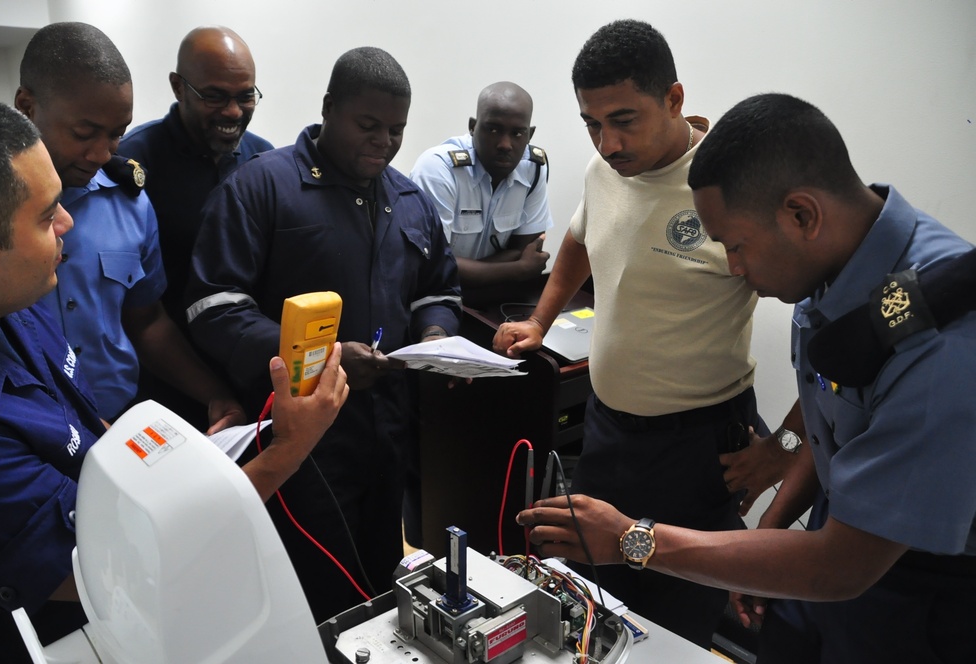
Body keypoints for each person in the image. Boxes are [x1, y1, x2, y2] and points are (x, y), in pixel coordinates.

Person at [518, 93, 976, 664]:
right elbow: (833, 411)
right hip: (827, 543)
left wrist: (636, 540)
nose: (733, 268)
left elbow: (845, 566)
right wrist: (774, 528)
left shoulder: (943, 347)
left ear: (801, 215)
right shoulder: (842, 264)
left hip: (911, 590)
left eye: (736, 246)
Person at [0, 94, 348, 662]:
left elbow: (83, 426)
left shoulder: (14, 308)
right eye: (47, 215)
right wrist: (287, 451)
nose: (69, 223)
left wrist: (176, 467)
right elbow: (116, 571)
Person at [491, 19, 783, 647]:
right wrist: (540, 321)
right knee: (596, 607)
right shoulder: (606, 171)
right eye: (592, 124)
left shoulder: (731, 185)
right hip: (609, 432)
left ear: (675, 99)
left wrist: (785, 447)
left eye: (624, 119)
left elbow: (824, 320)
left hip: (698, 448)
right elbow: (578, 239)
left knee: (675, 620)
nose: (608, 142)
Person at [185, 46, 461, 619]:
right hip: (300, 436)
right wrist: (327, 360)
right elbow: (214, 309)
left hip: (388, 427)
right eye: (368, 125)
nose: (383, 141)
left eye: (396, 130)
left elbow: (438, 289)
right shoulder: (261, 187)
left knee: (382, 575)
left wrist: (436, 336)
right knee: (310, 591)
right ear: (330, 107)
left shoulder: (409, 199)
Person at [14, 22, 244, 431]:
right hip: (20, 434)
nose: (102, 153)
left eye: (116, 135)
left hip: (121, 421)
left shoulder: (130, 202)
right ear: (27, 107)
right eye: (84, 133)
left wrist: (216, 395)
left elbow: (148, 322)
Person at [118, 26, 273, 428]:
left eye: (245, 96)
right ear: (178, 87)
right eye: (215, 96)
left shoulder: (266, 162)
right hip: (167, 381)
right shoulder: (132, 164)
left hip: (254, 371)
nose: (233, 112)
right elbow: (137, 313)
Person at [410, 82, 551, 289]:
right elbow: (432, 265)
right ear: (473, 126)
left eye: (518, 133)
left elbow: (527, 249)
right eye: (493, 129)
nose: (505, 144)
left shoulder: (534, 168)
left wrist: (464, 269)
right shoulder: (438, 168)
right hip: (433, 298)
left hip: (494, 297)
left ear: (530, 134)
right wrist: (518, 269)